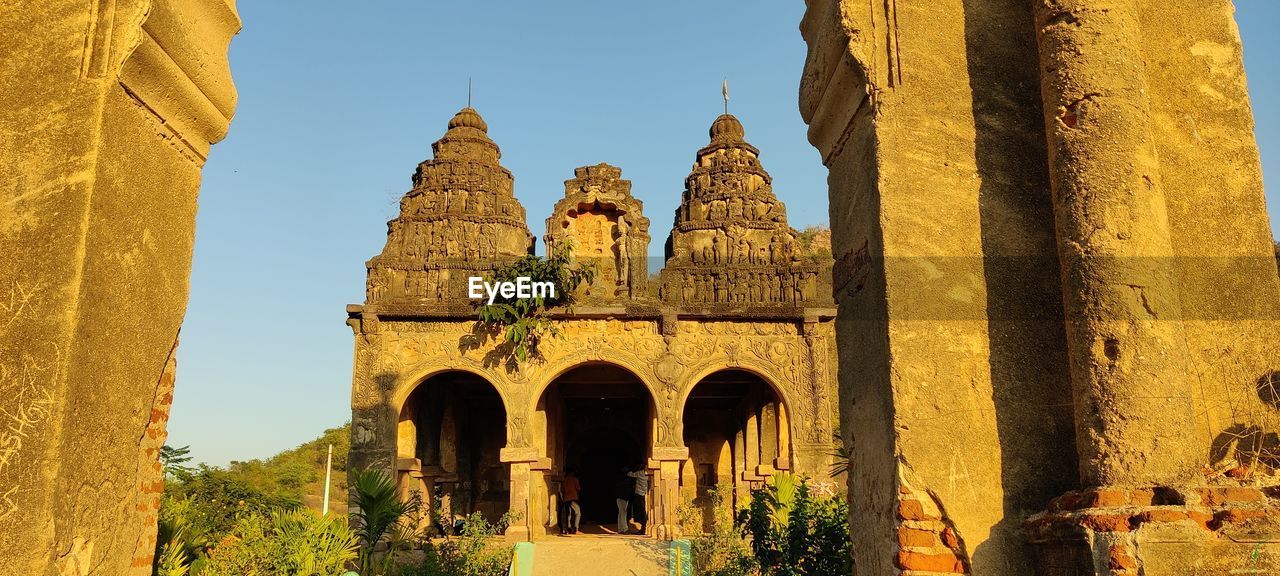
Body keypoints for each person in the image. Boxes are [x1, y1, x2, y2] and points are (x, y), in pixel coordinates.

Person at [627, 465, 649, 535]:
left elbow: (629, 474)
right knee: (645, 511)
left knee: (640, 511)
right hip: (647, 494)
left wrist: (634, 469)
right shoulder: (649, 474)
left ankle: (643, 528)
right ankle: (644, 527)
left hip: (639, 494)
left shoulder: (640, 473)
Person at [614, 467, 633, 534]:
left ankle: (620, 529)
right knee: (623, 512)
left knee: (621, 513)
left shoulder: (621, 479)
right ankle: (624, 529)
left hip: (622, 497)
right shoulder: (624, 479)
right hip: (622, 497)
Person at [562, 467, 581, 535]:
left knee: (568, 514)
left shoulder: (565, 479)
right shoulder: (574, 479)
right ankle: (576, 529)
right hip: (573, 498)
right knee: (578, 513)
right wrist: (578, 497)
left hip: (566, 498)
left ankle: (567, 529)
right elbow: (578, 488)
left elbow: (563, 490)